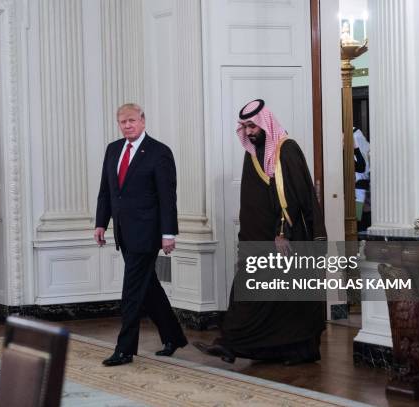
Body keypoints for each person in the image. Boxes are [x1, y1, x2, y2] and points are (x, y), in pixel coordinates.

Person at [193, 99, 327, 365]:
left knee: (289, 300)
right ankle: (233, 345)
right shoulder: (253, 153)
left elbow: (293, 196)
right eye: (244, 126)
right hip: (259, 241)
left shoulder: (286, 150)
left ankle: (298, 352)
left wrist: (283, 231)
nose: (248, 132)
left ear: (265, 123)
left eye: (252, 125)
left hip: (285, 241)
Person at [95, 103, 188, 366]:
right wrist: (101, 223)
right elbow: (107, 191)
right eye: (122, 122)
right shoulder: (113, 150)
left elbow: (167, 198)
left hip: (148, 234)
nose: (127, 126)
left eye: (132, 121)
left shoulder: (159, 153)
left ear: (143, 121)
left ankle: (125, 350)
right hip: (124, 233)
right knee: (149, 287)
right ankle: (173, 336)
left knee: (132, 291)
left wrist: (168, 233)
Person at [353, 127, 370, 231]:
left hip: (361, 191)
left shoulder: (364, 148)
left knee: (360, 222)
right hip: (358, 192)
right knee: (358, 221)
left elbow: (362, 167)